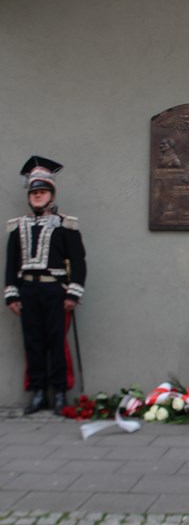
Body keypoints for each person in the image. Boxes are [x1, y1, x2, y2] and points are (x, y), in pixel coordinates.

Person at [5, 156, 87, 416]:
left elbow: (78, 262)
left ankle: (60, 391)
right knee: (33, 342)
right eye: (34, 193)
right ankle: (38, 392)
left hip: (55, 292)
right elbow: (11, 263)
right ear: (29, 197)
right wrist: (12, 294)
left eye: (42, 192)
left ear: (52, 195)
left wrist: (73, 292)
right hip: (28, 291)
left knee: (56, 342)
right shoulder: (17, 227)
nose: (38, 196)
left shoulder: (66, 226)